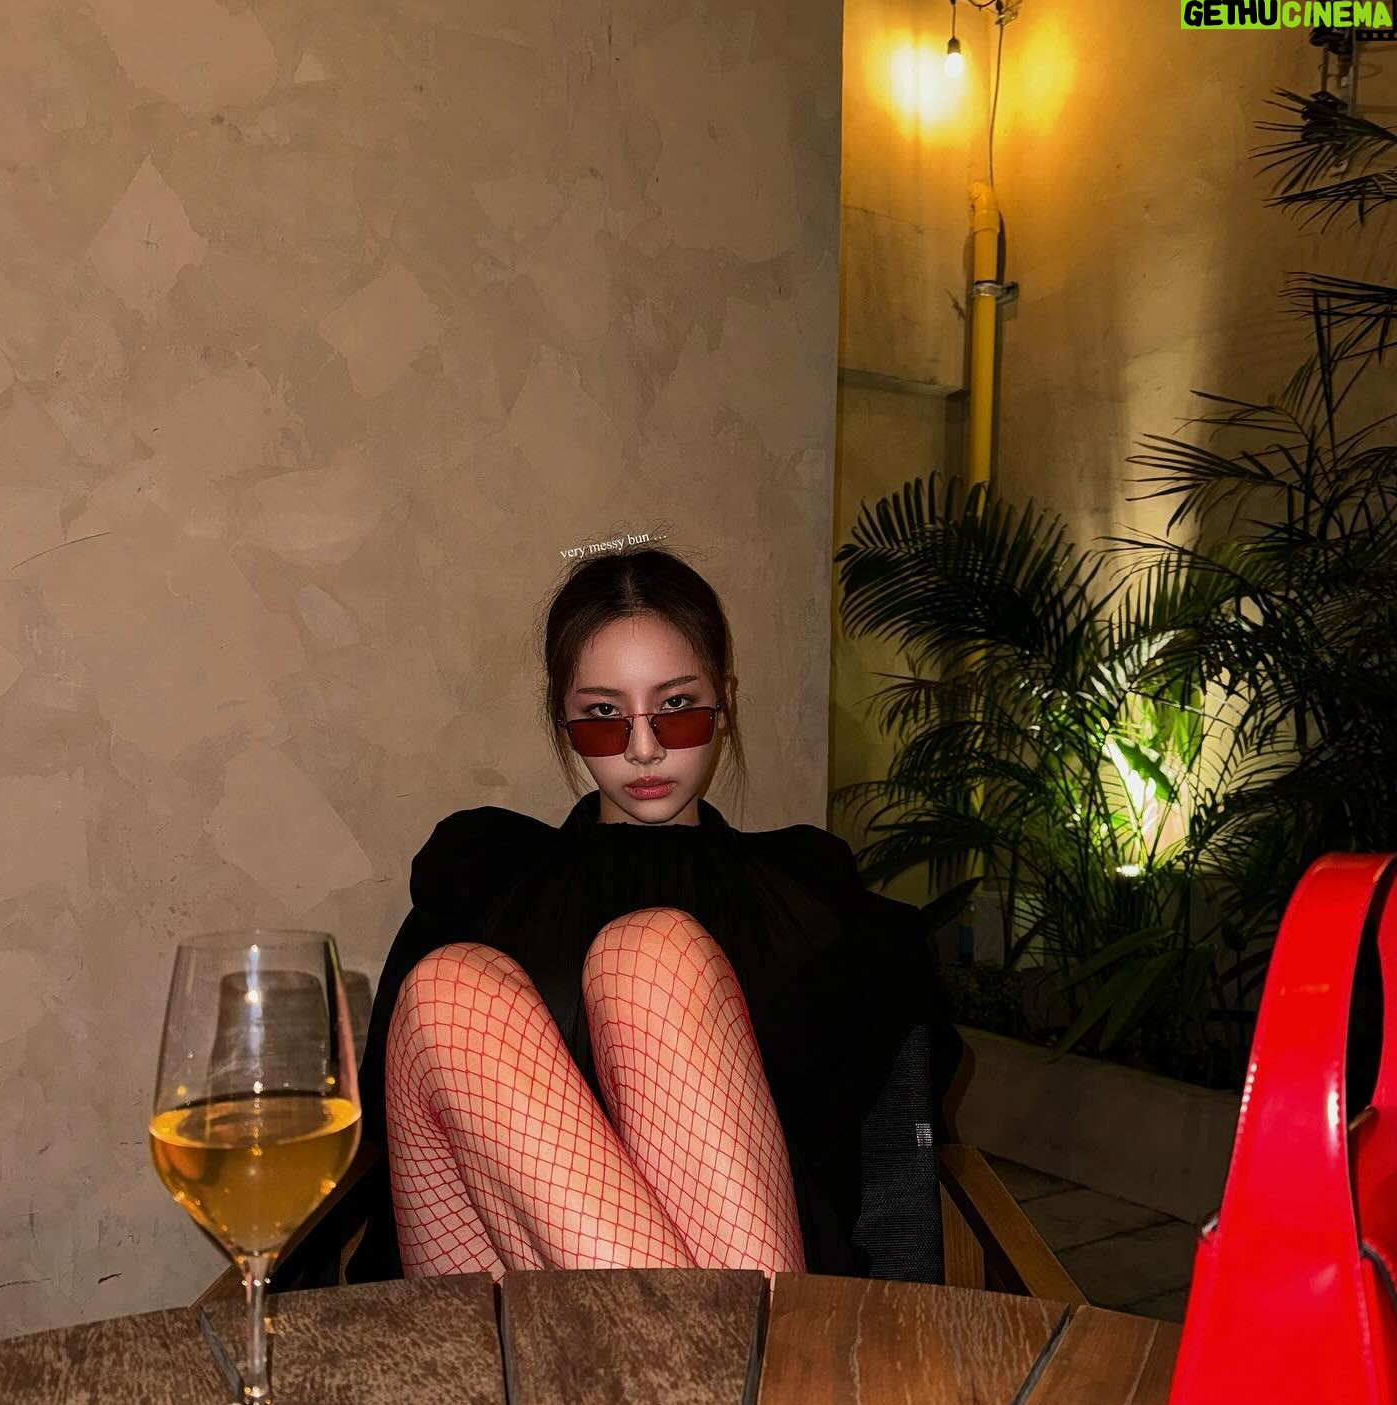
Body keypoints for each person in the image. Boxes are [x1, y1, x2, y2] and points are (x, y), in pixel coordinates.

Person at [302, 543, 959, 1287]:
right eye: (603, 715)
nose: (643, 750)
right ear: (561, 719)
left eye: (675, 707)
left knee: (650, 953)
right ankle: (726, 1355)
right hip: (493, 1279)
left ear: (724, 700)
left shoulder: (807, 890)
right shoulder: (484, 873)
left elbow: (875, 1124)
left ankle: (701, 1355)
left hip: (755, 1269)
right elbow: (392, 1111)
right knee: (450, 987)